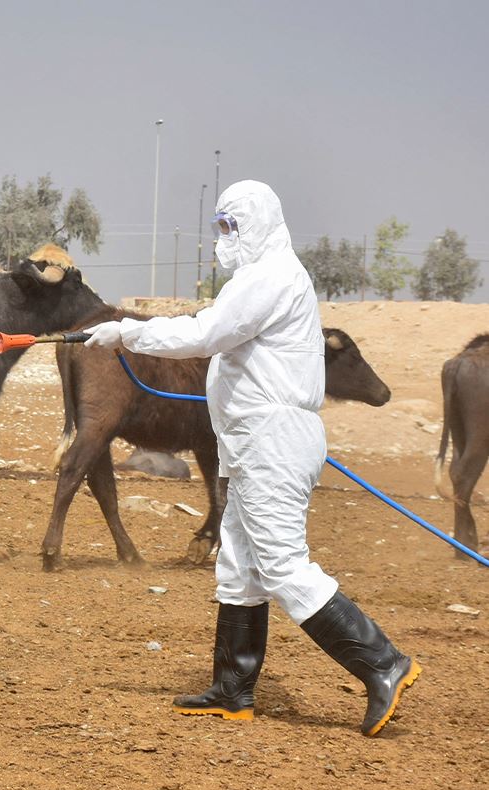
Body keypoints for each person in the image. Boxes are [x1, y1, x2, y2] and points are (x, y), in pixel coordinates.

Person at [83, 179, 420, 736]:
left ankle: (383, 662)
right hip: (252, 440)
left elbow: (208, 331)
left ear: (259, 222)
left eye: (232, 225)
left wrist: (127, 332)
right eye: (220, 226)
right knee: (239, 565)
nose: (224, 237)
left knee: (283, 565)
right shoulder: (262, 278)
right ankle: (233, 688)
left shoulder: (272, 277)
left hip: (273, 440)